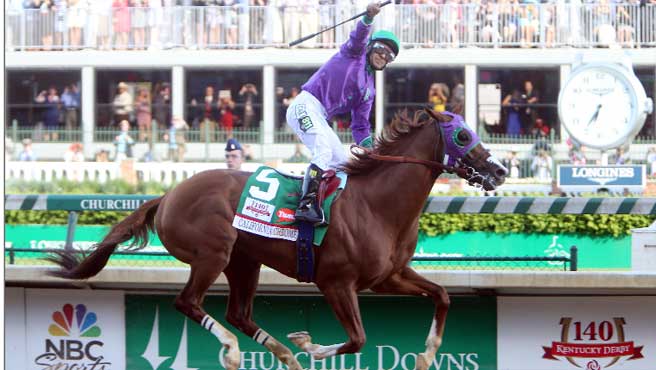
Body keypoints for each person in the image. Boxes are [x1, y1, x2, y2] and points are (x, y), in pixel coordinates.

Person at [285, 2, 398, 225]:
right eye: (382, 50)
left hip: (321, 117)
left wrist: (370, 150)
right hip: (305, 105)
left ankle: (335, 210)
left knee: (341, 162)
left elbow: (360, 126)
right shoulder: (353, 53)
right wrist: (368, 18)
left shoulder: (370, 90)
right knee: (324, 150)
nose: (383, 57)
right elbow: (358, 37)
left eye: (389, 57)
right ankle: (306, 205)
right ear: (371, 46)